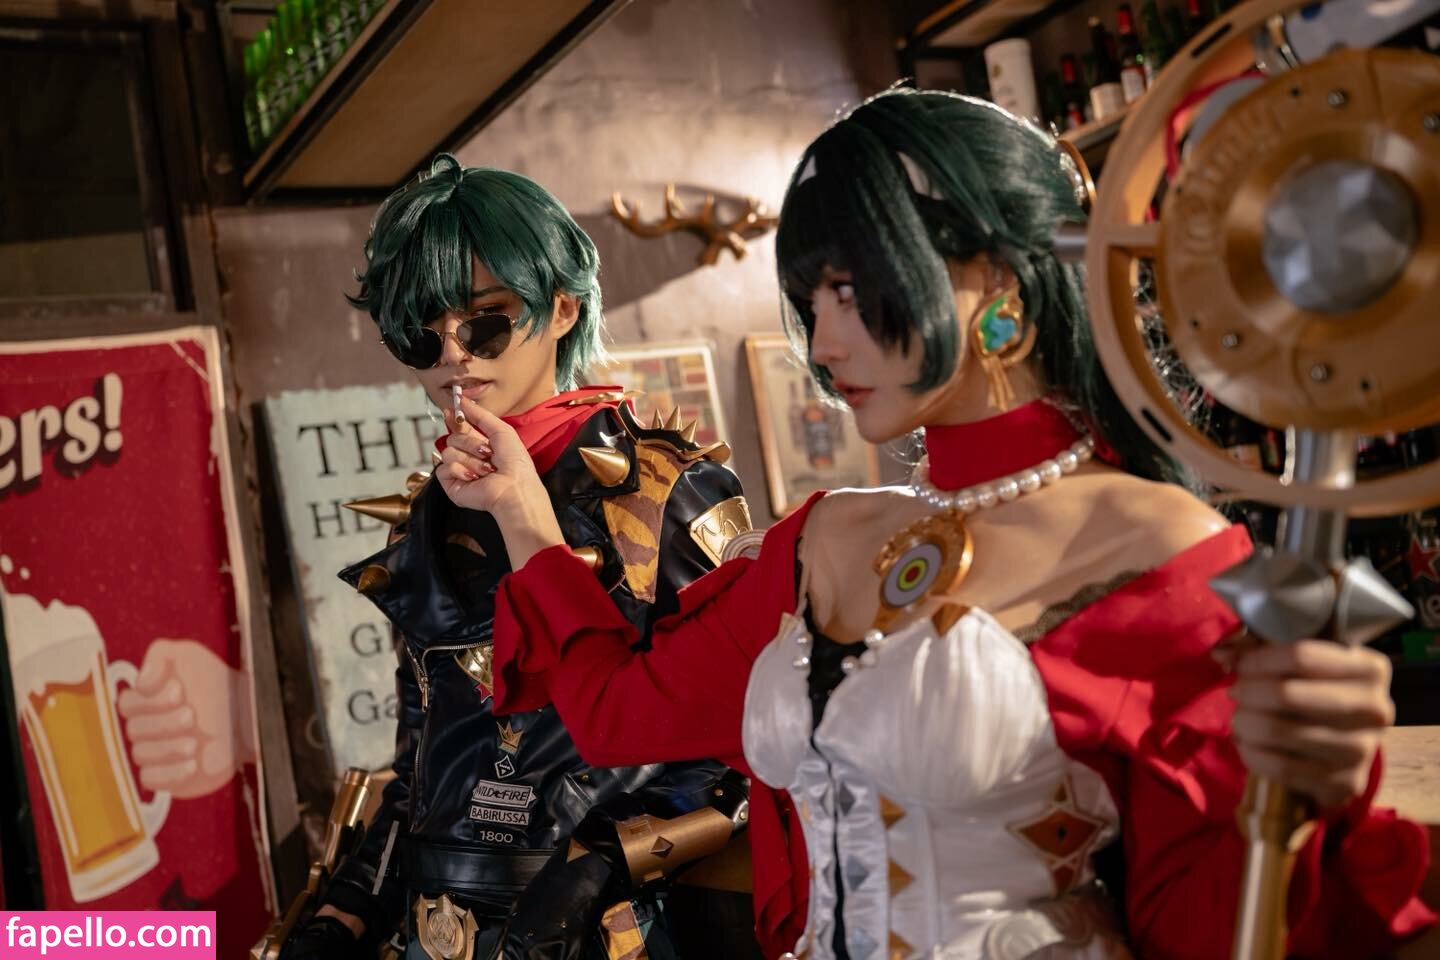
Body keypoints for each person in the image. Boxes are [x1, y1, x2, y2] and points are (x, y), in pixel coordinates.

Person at [435, 91, 1436, 959]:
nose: (825, 341)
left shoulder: (1159, 550)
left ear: (997, 281)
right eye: (809, 298)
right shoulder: (822, 541)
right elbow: (618, 714)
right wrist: (524, 513)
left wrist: (1303, 800)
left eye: (854, 290)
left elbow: (1207, 927)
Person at [281, 154, 762, 960]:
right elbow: (421, 773)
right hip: (436, 933)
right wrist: (347, 911)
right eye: (419, 333)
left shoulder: (663, 489)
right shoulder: (426, 517)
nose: (453, 355)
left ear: (563, 308)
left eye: (486, 321)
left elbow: (751, 744)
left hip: (614, 933)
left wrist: (598, 865)